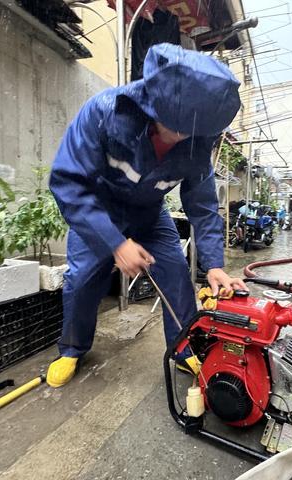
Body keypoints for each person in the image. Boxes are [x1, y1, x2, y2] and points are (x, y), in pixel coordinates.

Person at [47, 44, 247, 388]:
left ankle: (183, 347)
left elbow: (202, 203)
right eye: (177, 127)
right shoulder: (103, 113)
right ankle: (72, 348)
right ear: (155, 106)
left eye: (192, 132)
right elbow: (67, 182)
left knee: (175, 274)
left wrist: (214, 264)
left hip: (151, 215)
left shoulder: (199, 141)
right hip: (99, 213)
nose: (182, 138)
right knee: (81, 282)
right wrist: (115, 243)